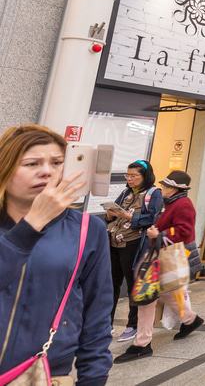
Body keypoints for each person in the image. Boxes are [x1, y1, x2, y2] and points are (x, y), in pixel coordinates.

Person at [0, 125, 113, 384]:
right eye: (31, 163)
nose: (47, 171)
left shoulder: (87, 230)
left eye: (57, 162)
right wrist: (31, 226)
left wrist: (93, 379)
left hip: (44, 374)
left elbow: (97, 315)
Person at [115, 171, 203, 363]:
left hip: (171, 254)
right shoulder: (171, 202)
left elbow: (184, 231)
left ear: (176, 189)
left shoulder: (183, 205)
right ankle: (189, 319)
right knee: (164, 292)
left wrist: (159, 234)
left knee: (147, 295)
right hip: (164, 254)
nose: (164, 188)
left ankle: (142, 343)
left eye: (167, 186)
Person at [106, 159, 163, 343]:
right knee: (111, 284)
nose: (129, 179)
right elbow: (113, 212)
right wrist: (110, 214)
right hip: (114, 241)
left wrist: (130, 216)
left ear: (144, 176)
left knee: (133, 285)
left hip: (134, 244)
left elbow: (154, 218)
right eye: (127, 175)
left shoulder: (153, 193)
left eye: (133, 176)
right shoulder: (125, 192)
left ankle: (132, 325)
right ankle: (107, 324)